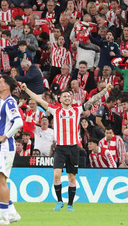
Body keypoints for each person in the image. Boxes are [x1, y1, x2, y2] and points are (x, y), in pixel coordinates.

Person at [21, 81, 112, 212]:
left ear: (72, 98)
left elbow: (92, 100)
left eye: (69, 96)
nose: (67, 98)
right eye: (64, 96)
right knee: (56, 175)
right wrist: (26, 89)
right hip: (60, 148)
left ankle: (70, 204)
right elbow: (38, 99)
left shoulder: (77, 109)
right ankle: (59, 201)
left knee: (72, 177)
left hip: (73, 148)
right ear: (60, 99)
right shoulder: (55, 110)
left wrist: (105, 91)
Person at [0, 75, 23, 225]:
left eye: (0, 82)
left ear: (6, 87)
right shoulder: (0, 102)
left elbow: (19, 122)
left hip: (5, 148)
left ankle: (4, 217)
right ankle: (12, 212)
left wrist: (5, 136)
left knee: (1, 180)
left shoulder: (9, 102)